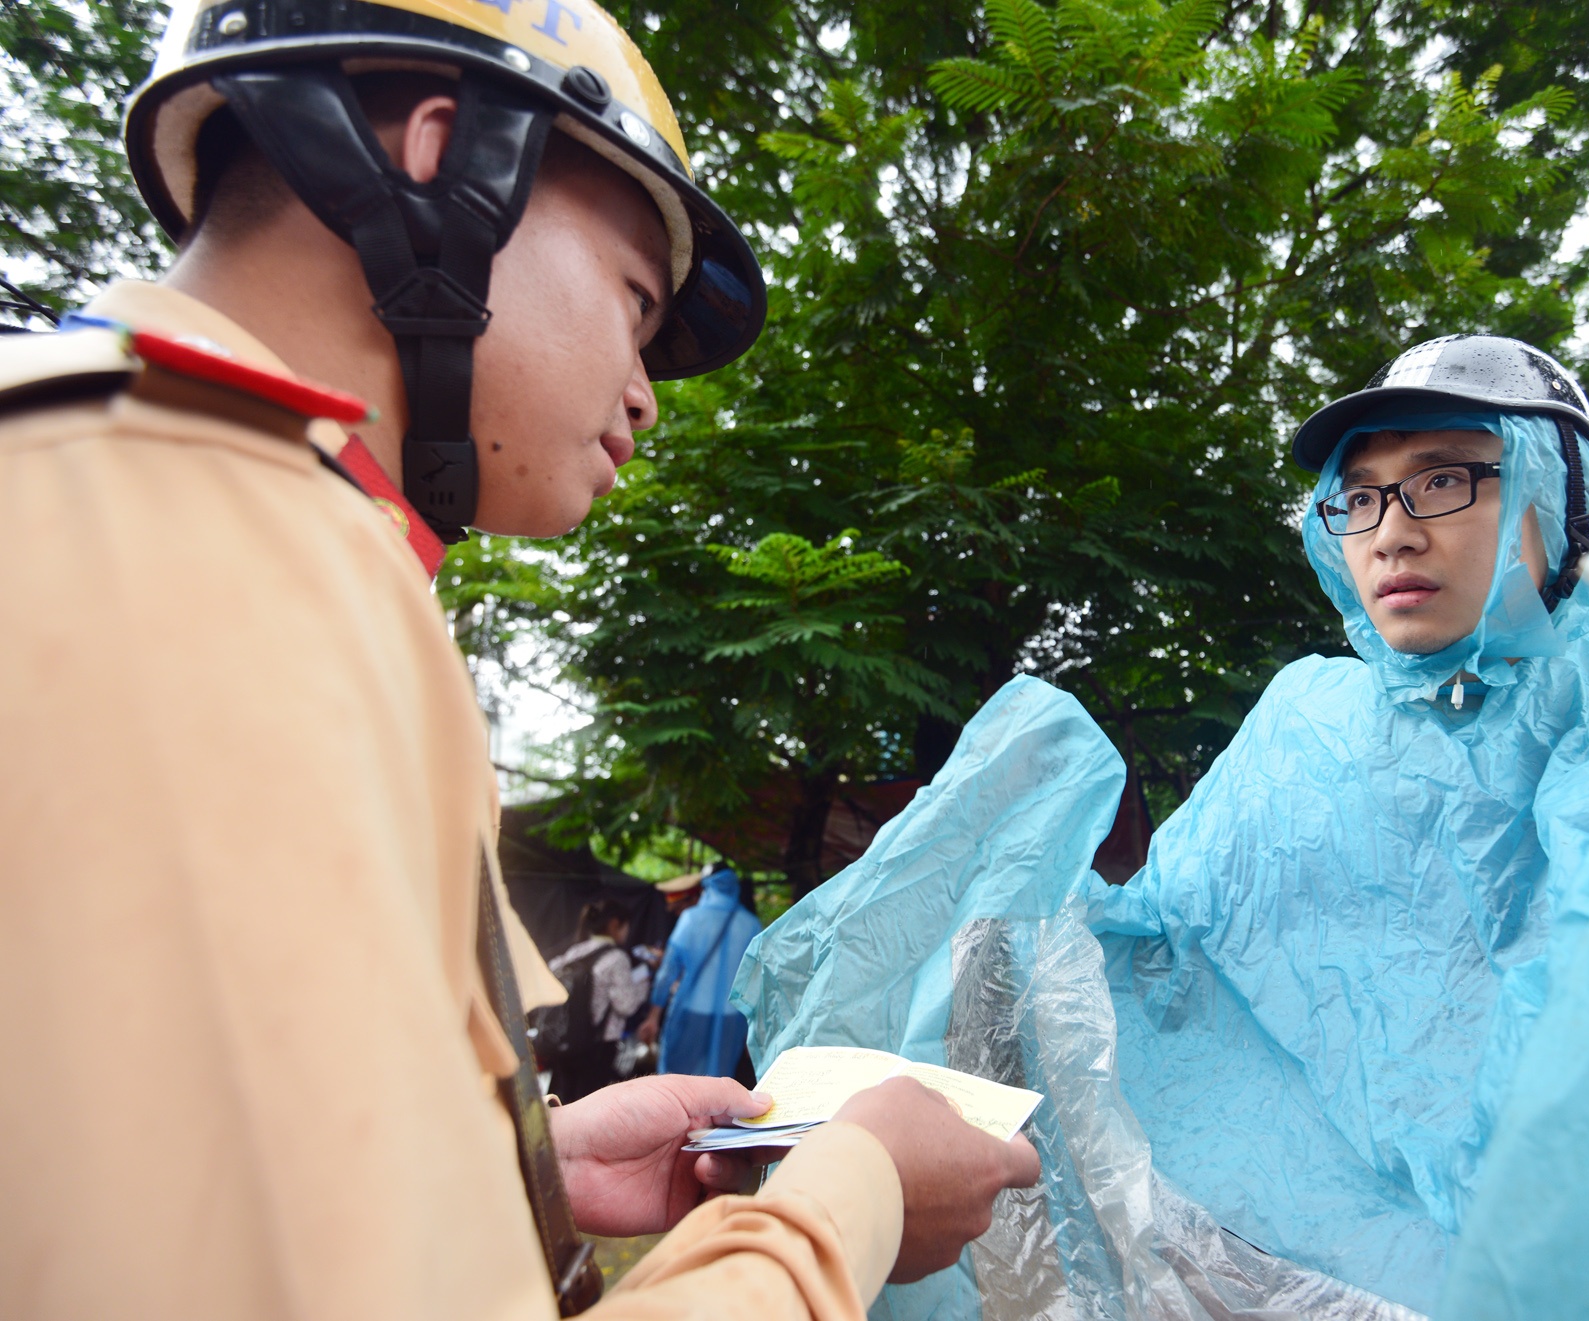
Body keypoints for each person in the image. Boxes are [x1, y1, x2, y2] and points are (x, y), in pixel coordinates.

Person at [0, 0, 1039, 1315]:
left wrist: (522, 1168)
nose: (645, 391)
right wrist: (857, 1195)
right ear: (445, 157)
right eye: (635, 301)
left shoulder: (178, 502)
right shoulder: (195, 542)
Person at [742, 336, 1589, 1318]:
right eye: (1362, 495)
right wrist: (984, 921)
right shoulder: (1306, 722)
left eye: (1446, 477)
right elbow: (1158, 952)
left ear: (1559, 495)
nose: (1393, 527)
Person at [642, 862, 763, 1078]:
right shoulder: (752, 924)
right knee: (717, 1082)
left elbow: (667, 973)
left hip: (691, 1010)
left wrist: (653, 1017)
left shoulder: (691, 918)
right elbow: (756, 981)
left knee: (677, 1080)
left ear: (706, 887)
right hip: (731, 1018)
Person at [544, 899, 648, 1101]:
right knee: (589, 1101)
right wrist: (643, 983)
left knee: (561, 1096)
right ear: (615, 924)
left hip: (564, 1040)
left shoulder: (574, 952)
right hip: (597, 1045)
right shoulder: (616, 958)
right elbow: (626, 1006)